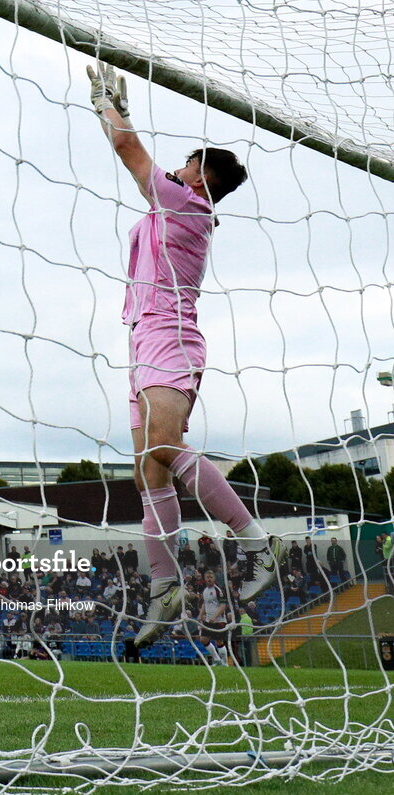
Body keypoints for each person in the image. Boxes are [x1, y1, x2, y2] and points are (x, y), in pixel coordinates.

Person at [87, 61, 285, 646]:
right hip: (142, 338)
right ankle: (165, 585)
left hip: (171, 335)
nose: (178, 164)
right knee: (147, 467)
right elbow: (133, 152)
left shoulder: (187, 206)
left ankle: (255, 543)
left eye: (188, 161)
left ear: (199, 177)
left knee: (165, 449)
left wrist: (106, 103)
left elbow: (127, 147)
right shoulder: (170, 206)